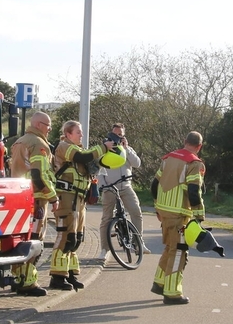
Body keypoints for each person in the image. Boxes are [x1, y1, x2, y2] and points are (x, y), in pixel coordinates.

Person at [51, 121, 113, 291]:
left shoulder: (79, 149)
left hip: (79, 199)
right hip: (67, 197)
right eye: (78, 132)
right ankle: (57, 277)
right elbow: (82, 158)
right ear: (68, 134)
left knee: (76, 239)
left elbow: (90, 161)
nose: (81, 135)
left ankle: (70, 275)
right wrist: (103, 147)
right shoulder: (64, 146)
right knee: (66, 237)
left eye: (81, 132)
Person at [150, 131, 206, 305]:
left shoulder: (168, 158)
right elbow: (194, 192)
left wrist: (157, 205)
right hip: (179, 214)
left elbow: (154, 184)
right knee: (179, 251)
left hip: (164, 211)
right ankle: (172, 292)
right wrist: (199, 215)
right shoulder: (193, 163)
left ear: (184, 141)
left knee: (170, 248)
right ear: (199, 146)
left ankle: (160, 283)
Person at [7, 112, 58, 297]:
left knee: (21, 239)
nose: (49, 129)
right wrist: (53, 197)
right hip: (36, 198)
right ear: (38, 124)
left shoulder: (20, 141)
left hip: (19, 197)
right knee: (35, 239)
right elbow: (39, 174)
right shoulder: (39, 144)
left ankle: (18, 278)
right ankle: (28, 282)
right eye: (48, 125)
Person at [96, 123, 146, 260]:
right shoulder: (105, 148)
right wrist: (103, 184)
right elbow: (98, 168)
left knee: (136, 212)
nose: (118, 137)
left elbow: (137, 163)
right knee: (106, 218)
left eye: (120, 134)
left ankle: (138, 243)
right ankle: (104, 249)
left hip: (126, 187)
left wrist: (127, 149)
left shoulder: (127, 149)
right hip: (110, 188)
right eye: (115, 134)